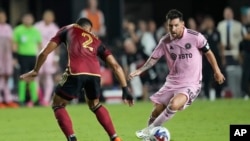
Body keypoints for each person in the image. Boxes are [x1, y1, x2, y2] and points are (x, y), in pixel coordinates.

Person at [20, 18, 134, 141]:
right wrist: (125, 88)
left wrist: (36, 70)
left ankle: (72, 138)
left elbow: (44, 52)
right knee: (95, 104)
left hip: (75, 71)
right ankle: (115, 137)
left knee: (58, 104)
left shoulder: (67, 29)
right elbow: (115, 65)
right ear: (89, 29)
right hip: (95, 74)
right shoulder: (96, 40)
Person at [128, 9, 225, 140]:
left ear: (183, 24)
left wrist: (217, 71)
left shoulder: (195, 37)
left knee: (174, 104)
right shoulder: (165, 41)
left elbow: (209, 53)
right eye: (170, 26)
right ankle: (149, 138)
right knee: (157, 110)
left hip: (191, 84)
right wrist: (140, 70)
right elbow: (153, 58)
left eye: (176, 25)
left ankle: (148, 131)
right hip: (172, 82)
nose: (172, 29)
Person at [13, 13, 42, 107]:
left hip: (32, 56)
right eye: (26, 18)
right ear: (23, 19)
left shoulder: (35, 30)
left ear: (32, 20)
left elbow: (39, 44)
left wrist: (41, 56)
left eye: (30, 18)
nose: (28, 20)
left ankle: (34, 99)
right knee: (23, 77)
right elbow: (14, 44)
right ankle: (21, 99)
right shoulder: (18, 30)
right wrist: (15, 57)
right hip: (22, 56)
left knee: (32, 77)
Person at [35, 10, 59, 106]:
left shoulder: (55, 28)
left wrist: (56, 58)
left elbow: (58, 43)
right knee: (37, 76)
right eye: (46, 16)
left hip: (50, 55)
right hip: (38, 53)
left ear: (53, 18)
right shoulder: (37, 26)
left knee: (48, 77)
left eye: (50, 16)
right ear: (43, 16)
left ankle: (46, 99)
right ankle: (38, 97)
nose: (48, 18)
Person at [217, 7, 243, 98]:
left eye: (229, 12)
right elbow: (219, 41)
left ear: (232, 14)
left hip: (235, 52)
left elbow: (241, 40)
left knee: (237, 73)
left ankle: (238, 93)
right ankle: (226, 94)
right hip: (224, 53)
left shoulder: (238, 25)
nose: (227, 14)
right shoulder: (220, 25)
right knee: (225, 75)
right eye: (226, 13)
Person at [201, 15, 225, 100]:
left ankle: (219, 94)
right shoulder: (202, 33)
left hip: (216, 58)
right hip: (206, 59)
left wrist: (222, 58)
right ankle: (207, 95)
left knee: (218, 75)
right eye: (207, 22)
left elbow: (220, 45)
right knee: (206, 77)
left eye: (210, 22)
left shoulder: (217, 32)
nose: (209, 24)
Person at [0, 8, 19, 108]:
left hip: (7, 56)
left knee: (7, 78)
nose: (2, 18)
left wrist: (14, 56)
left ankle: (8, 99)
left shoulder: (8, 28)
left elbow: (12, 43)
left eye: (3, 17)